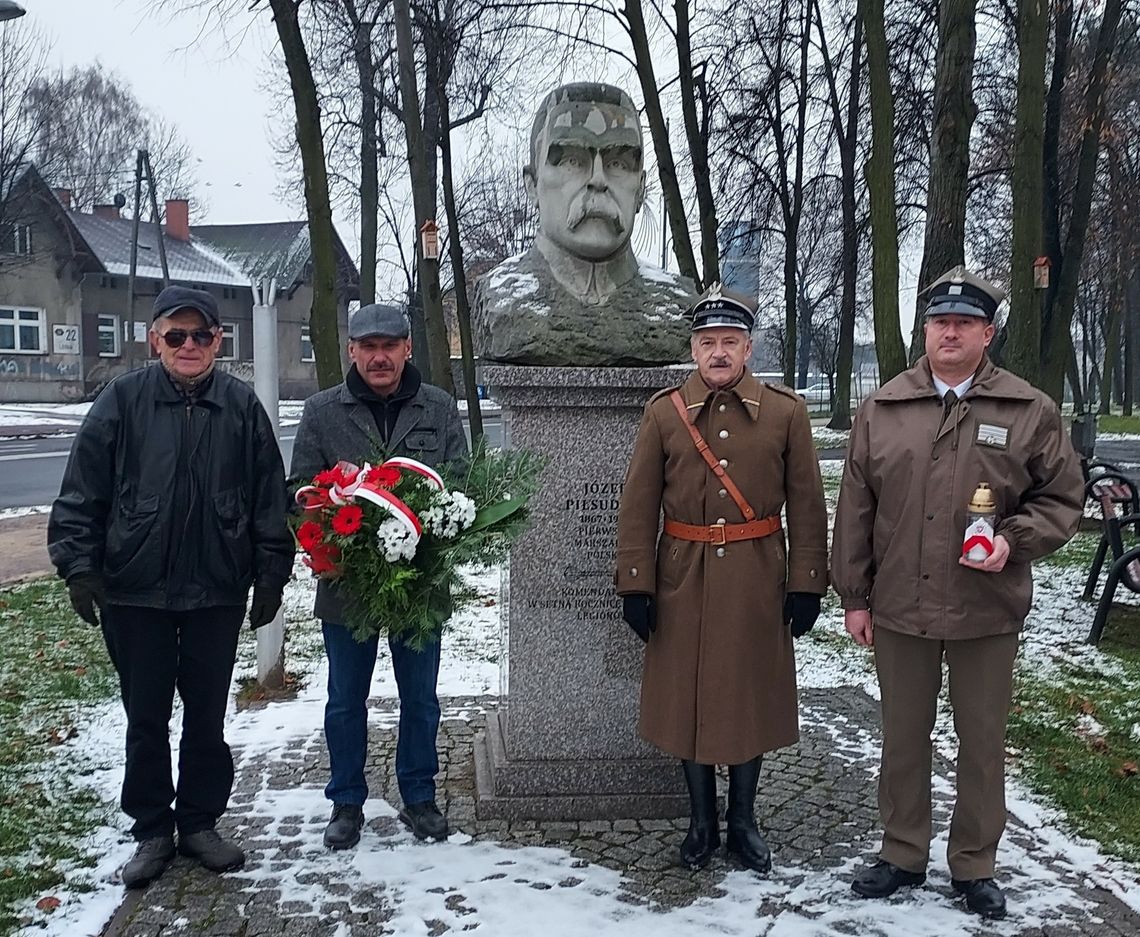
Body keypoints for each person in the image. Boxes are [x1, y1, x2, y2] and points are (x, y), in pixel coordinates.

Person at [832, 266, 1083, 919]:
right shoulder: (885, 407)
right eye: (940, 321)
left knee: (982, 740)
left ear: (987, 331)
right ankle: (901, 851)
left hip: (985, 608)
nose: (950, 331)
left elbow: (1062, 496)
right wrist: (855, 594)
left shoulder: (1028, 410)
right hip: (901, 607)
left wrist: (1016, 537)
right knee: (902, 736)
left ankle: (974, 863)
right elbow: (855, 507)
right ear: (925, 330)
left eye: (964, 322)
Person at [47, 285, 293, 888]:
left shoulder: (240, 407)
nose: (189, 345)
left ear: (217, 341)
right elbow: (83, 492)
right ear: (155, 339)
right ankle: (153, 829)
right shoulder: (121, 402)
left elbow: (268, 500)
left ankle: (200, 821)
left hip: (216, 589)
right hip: (135, 590)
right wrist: (79, 567)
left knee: (207, 717)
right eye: (176, 335)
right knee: (146, 717)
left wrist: (270, 573)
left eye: (201, 335)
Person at [614, 284, 828, 873]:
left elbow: (807, 502)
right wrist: (636, 582)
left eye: (729, 342)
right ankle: (701, 822)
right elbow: (639, 504)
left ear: (748, 348)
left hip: (758, 575)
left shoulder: (786, 412)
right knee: (686, 696)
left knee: (749, 695)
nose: (718, 353)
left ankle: (744, 822)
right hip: (681, 572)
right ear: (693, 348)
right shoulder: (664, 412)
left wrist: (807, 580)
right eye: (707, 342)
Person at [290, 303, 468, 850]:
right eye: (368, 347)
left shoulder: (437, 407)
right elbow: (297, 489)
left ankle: (419, 795)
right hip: (349, 586)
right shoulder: (323, 411)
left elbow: (460, 481)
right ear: (351, 351)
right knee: (346, 699)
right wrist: (326, 518)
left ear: (408, 347)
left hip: (420, 584)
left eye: (389, 345)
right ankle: (346, 801)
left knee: (422, 698)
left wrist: (439, 529)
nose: (379, 356)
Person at [474, 82, 693, 366]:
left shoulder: (678, 307)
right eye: (571, 161)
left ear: (640, 189)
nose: (598, 180)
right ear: (532, 185)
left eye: (619, 164)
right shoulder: (502, 298)